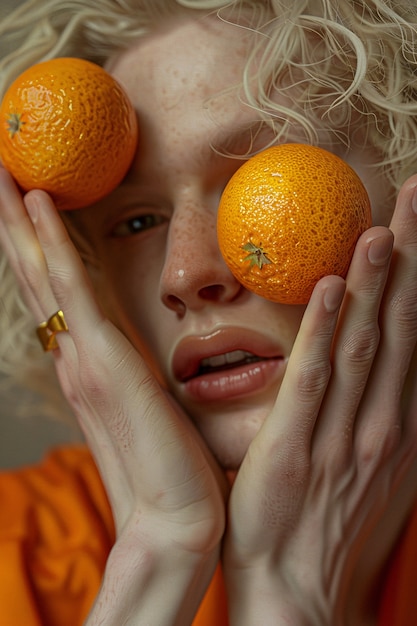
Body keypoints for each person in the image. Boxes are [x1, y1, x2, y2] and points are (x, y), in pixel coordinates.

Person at [1, 0, 417, 624]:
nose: (185, 274)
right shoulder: (19, 560)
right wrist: (160, 555)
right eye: (137, 222)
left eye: (261, 177)